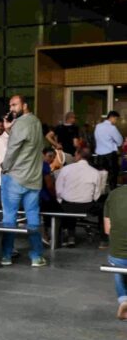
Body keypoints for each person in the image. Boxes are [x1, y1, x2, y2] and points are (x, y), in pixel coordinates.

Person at [1, 94, 46, 267]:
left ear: (25, 105)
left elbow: (13, 148)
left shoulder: (20, 123)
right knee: (33, 217)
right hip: (34, 178)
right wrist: (9, 130)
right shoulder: (36, 122)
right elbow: (31, 146)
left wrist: (5, 167)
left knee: (9, 217)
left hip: (16, 177)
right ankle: (36, 256)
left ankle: (6, 255)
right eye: (10, 105)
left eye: (14, 105)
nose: (11, 108)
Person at [56, 147, 104, 247]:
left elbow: (59, 190)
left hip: (67, 206)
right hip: (87, 206)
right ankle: (103, 237)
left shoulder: (66, 169)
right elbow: (97, 195)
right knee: (104, 207)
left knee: (68, 204)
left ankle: (71, 237)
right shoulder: (95, 172)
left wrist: (62, 201)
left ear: (78, 155)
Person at [103, 184, 127, 320]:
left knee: (119, 266)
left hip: (118, 254)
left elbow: (107, 230)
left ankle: (124, 300)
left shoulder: (113, 194)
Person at [95, 111, 124, 190]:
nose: (116, 121)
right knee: (112, 176)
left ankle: (100, 193)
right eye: (116, 119)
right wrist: (115, 143)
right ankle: (112, 193)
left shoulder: (98, 126)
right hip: (110, 155)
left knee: (101, 177)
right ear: (112, 117)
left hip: (99, 156)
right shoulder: (112, 128)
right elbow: (119, 141)